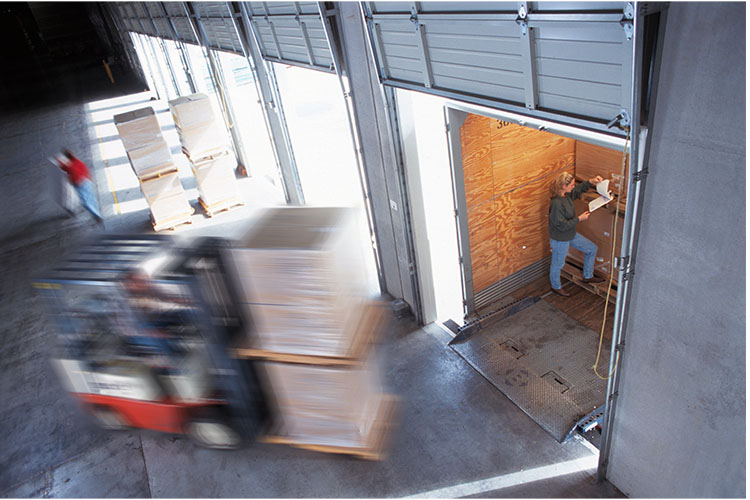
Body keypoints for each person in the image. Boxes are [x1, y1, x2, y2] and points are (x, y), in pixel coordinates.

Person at [548, 172, 605, 297]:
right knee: (558, 264)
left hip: (570, 234)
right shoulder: (557, 204)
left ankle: (588, 276)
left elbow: (578, 190)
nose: (574, 186)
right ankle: (556, 287)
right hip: (560, 239)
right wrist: (579, 219)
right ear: (563, 186)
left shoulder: (566, 196)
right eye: (572, 185)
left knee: (591, 249)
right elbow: (561, 225)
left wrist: (591, 181)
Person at [56, 149, 104, 223]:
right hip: (87, 181)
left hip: (80, 185)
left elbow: (63, 167)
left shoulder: (69, 166)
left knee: (85, 202)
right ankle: (98, 213)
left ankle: (96, 215)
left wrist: (58, 159)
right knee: (91, 198)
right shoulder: (78, 161)